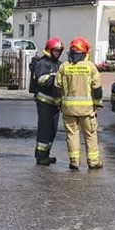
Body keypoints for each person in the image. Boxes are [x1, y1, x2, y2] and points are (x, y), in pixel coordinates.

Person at [55, 37, 103, 170]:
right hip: (87, 110)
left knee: (72, 135)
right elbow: (97, 88)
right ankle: (93, 162)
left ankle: (74, 162)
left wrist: (59, 104)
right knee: (90, 135)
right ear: (85, 53)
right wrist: (98, 103)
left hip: (68, 109)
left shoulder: (64, 67)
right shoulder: (90, 67)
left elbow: (57, 88)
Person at [30, 37, 65, 165]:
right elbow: (42, 80)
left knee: (53, 130)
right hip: (45, 102)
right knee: (45, 129)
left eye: (59, 51)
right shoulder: (43, 63)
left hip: (55, 103)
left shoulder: (59, 64)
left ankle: (46, 154)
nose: (57, 53)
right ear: (49, 50)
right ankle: (40, 156)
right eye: (55, 50)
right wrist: (56, 77)